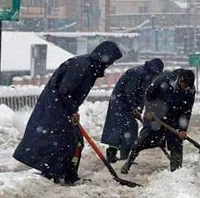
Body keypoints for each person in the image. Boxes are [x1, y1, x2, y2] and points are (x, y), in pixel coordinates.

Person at [13, 41, 123, 185]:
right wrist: (72, 110)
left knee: (76, 141)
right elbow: (65, 90)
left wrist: (73, 110)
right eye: (111, 61)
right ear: (105, 56)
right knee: (64, 140)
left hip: (62, 107)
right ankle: (56, 173)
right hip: (56, 108)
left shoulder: (89, 66)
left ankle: (67, 173)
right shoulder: (82, 66)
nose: (110, 65)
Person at [120, 69, 195, 174]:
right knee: (144, 138)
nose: (186, 89)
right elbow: (149, 94)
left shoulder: (190, 90)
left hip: (174, 117)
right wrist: (149, 110)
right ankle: (128, 163)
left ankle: (176, 172)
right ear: (180, 80)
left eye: (188, 87)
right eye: (185, 86)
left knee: (176, 143)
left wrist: (183, 129)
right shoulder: (164, 79)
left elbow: (187, 111)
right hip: (155, 114)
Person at [101, 58, 164, 163]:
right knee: (123, 128)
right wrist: (134, 107)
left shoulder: (148, 76)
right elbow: (130, 92)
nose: (156, 76)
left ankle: (121, 155)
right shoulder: (138, 73)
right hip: (120, 104)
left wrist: (139, 108)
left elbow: (142, 95)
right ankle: (119, 156)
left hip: (127, 105)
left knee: (123, 129)